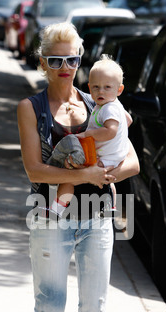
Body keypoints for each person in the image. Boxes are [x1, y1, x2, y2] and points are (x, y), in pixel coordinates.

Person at [2, 22, 140, 312]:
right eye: (57, 60)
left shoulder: (98, 102)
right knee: (50, 311)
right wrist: (86, 176)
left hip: (96, 217)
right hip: (50, 216)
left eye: (73, 59)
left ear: (80, 60)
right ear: (44, 62)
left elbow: (132, 161)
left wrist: (109, 176)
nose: (66, 67)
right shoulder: (31, 107)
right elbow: (35, 169)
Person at [50, 54, 132, 218]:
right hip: (113, 157)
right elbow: (129, 119)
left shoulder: (108, 108)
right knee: (109, 183)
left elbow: (110, 131)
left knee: (68, 179)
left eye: (107, 87)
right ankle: (112, 206)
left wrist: (89, 134)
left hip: (105, 158)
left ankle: (55, 211)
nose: (100, 91)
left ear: (119, 89)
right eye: (96, 87)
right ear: (89, 87)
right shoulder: (113, 106)